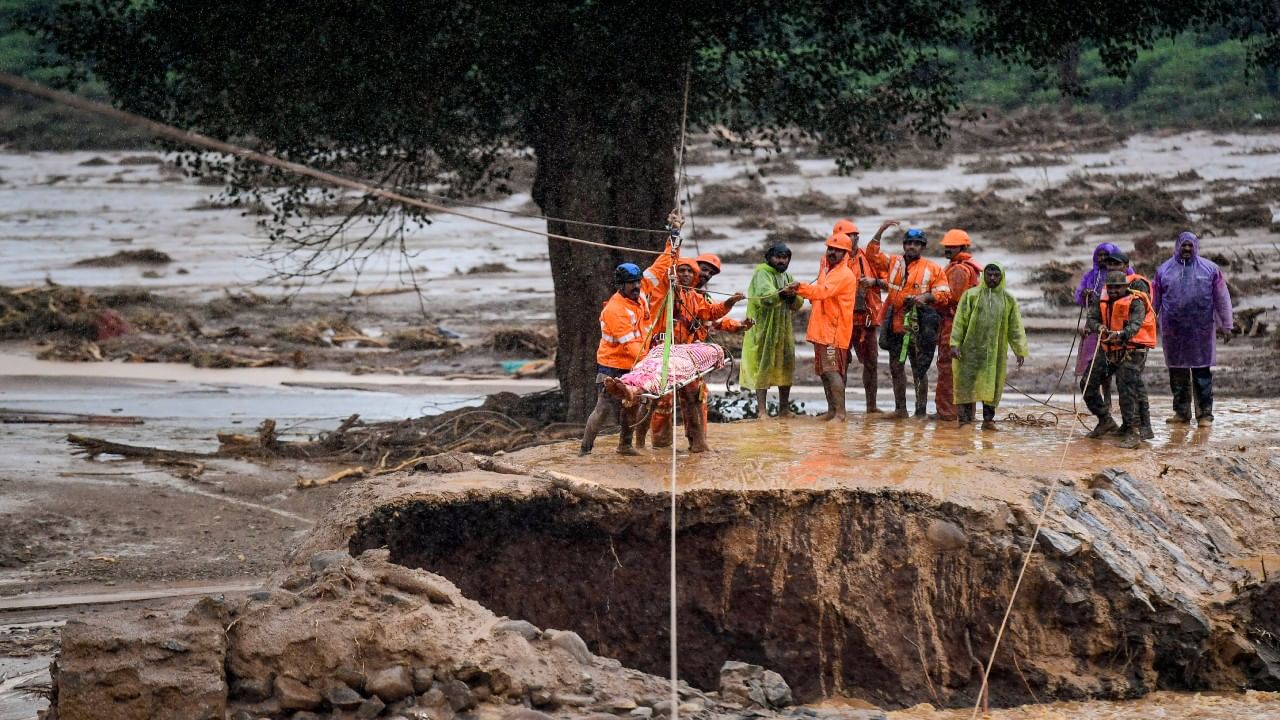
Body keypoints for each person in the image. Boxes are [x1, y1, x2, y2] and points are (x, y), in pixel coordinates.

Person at [580, 213, 680, 456]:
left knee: (633, 405)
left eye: (638, 282)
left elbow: (664, 263)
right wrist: (652, 365)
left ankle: (624, 446)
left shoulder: (643, 287)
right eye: (631, 284)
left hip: (636, 363)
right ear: (620, 286)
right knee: (603, 407)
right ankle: (585, 450)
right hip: (613, 366)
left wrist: (674, 235)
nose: (637, 287)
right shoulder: (615, 310)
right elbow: (630, 346)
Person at [641, 257, 745, 451]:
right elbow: (665, 264)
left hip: (689, 356)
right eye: (682, 271)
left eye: (690, 272)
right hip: (665, 353)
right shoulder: (665, 292)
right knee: (662, 401)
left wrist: (730, 303)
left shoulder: (696, 297)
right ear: (674, 273)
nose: (686, 275)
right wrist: (673, 241)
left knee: (695, 399)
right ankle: (661, 445)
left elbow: (711, 313)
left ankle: (698, 444)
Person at [864, 227, 951, 418]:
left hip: (918, 325)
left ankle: (920, 412)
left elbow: (945, 294)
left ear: (923, 247)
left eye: (916, 244)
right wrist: (880, 231)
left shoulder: (932, 269)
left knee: (919, 368)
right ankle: (900, 410)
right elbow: (871, 255)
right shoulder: (894, 262)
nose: (912, 247)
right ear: (904, 245)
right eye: (909, 243)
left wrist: (926, 297)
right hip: (895, 322)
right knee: (896, 366)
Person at [1152, 231, 1233, 427]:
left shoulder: (1210, 269)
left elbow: (1222, 298)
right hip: (1174, 332)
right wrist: (1148, 325)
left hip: (1201, 331)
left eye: (1190, 245)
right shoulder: (1164, 270)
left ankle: (1205, 414)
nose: (1186, 249)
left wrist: (1227, 324)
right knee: (1177, 374)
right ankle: (1181, 413)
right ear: (1177, 246)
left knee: (1201, 373)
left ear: (1195, 247)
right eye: (1183, 245)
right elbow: (1154, 302)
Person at [783, 232, 859, 421]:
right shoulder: (828, 270)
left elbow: (822, 292)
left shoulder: (843, 274)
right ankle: (832, 411)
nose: (832, 252)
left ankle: (840, 414)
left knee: (833, 372)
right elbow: (818, 293)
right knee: (825, 372)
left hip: (834, 332)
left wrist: (799, 287)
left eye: (837, 250)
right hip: (822, 330)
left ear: (846, 254)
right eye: (830, 248)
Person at [948, 263, 1028, 429]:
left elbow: (1015, 327)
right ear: (983, 275)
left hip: (995, 353)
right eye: (989, 274)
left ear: (1002, 276)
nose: (992, 278)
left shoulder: (1008, 299)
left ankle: (988, 420)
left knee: (993, 384)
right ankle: (964, 420)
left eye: (996, 275)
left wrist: (1019, 350)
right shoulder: (971, 296)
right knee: (966, 382)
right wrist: (954, 343)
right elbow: (959, 322)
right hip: (969, 350)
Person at [824, 218, 892, 413]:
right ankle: (836, 409)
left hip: (865, 320)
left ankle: (871, 406)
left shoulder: (868, 257)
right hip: (839, 321)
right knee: (838, 365)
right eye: (842, 237)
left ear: (856, 237)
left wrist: (873, 282)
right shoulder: (829, 259)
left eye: (850, 236)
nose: (847, 240)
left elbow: (890, 283)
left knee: (871, 363)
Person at [1083, 270, 1156, 449]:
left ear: (1125, 287)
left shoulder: (1136, 301)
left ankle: (1133, 431)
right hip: (1108, 349)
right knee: (1087, 383)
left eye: (1118, 288)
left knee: (1126, 387)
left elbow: (1135, 326)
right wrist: (1099, 327)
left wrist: (1119, 335)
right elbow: (1091, 318)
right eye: (1111, 288)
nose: (1114, 291)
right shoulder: (1101, 300)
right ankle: (1105, 420)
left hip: (1132, 349)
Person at [739, 243, 803, 418]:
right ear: (768, 258)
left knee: (786, 365)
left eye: (785, 257)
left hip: (783, 329)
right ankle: (762, 411)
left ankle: (784, 409)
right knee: (763, 366)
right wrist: (783, 293)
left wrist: (793, 296)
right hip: (763, 329)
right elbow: (765, 298)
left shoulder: (787, 276)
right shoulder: (762, 273)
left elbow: (798, 304)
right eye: (778, 256)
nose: (782, 260)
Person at [934, 229, 984, 422]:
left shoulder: (958, 270)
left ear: (962, 247)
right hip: (965, 325)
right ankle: (965, 414)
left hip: (953, 324)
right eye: (947, 246)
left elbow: (952, 299)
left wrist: (931, 299)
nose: (948, 249)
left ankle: (947, 413)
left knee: (948, 368)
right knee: (964, 370)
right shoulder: (968, 267)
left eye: (952, 246)